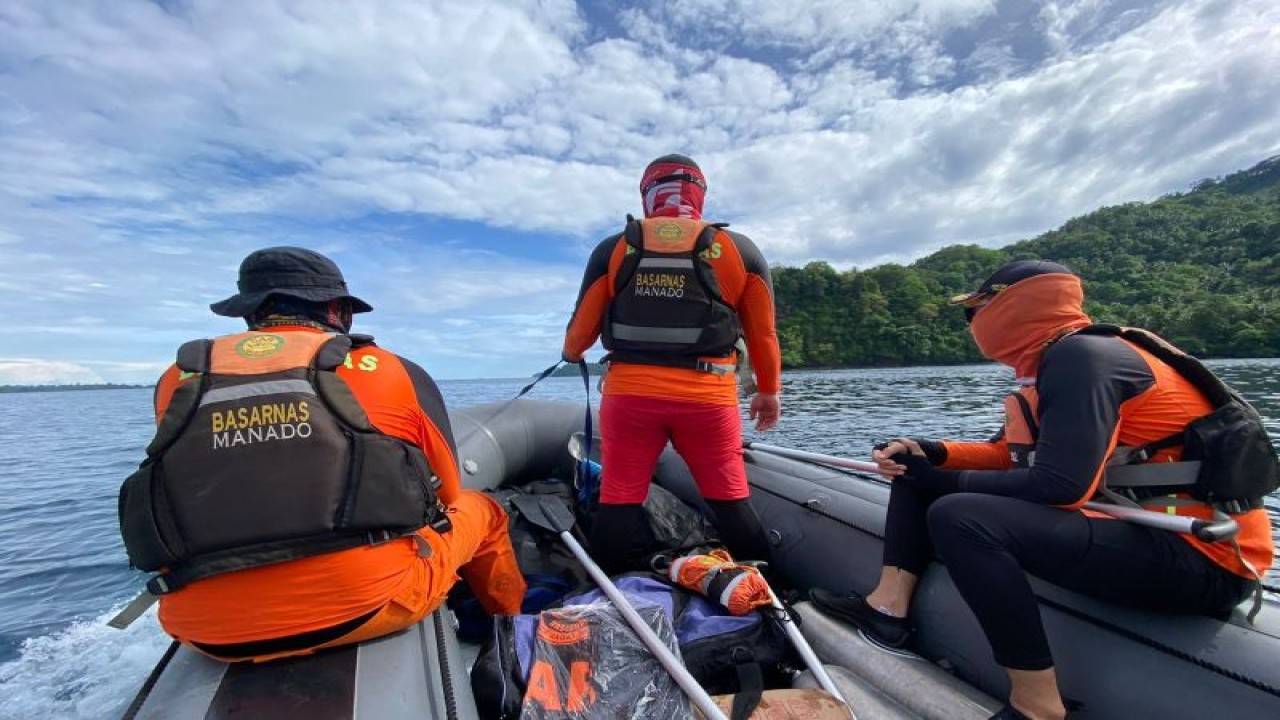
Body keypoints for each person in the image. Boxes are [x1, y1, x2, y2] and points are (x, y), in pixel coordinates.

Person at [810, 260, 1275, 720]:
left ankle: (1038, 707)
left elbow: (1060, 485)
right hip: (1138, 529)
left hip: (1204, 557)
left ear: (1014, 304)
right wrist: (932, 453)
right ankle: (887, 609)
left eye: (977, 308)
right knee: (915, 473)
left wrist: (945, 481)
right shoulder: (1055, 362)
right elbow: (1009, 457)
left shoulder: (1084, 358)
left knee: (961, 516)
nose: (972, 322)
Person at [116, 246, 525, 661]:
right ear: (335, 311)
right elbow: (450, 493)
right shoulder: (388, 367)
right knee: (483, 511)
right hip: (369, 605)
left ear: (248, 313)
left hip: (203, 631)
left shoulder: (178, 378)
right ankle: (514, 635)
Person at [561, 153, 782, 574]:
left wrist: (571, 354)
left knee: (620, 494)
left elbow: (579, 338)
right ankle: (769, 590)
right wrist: (769, 392)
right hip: (708, 399)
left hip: (631, 398)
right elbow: (764, 336)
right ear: (699, 193)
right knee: (729, 497)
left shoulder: (614, 247)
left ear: (648, 194)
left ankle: (609, 588)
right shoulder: (739, 250)